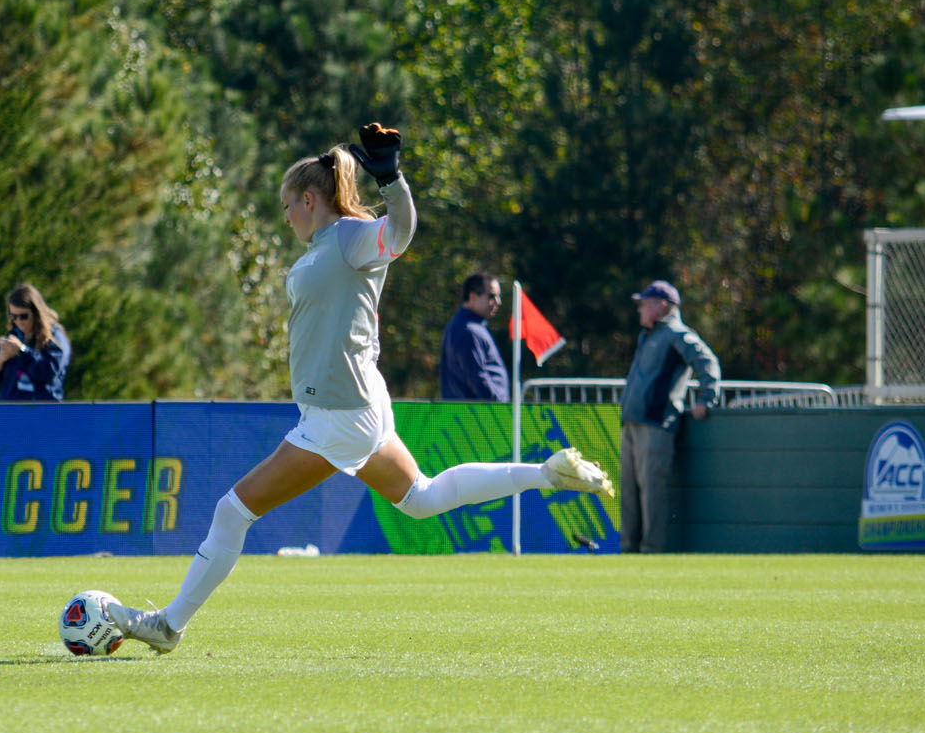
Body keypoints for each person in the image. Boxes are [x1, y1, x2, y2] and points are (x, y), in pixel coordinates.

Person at [107, 124, 615, 654]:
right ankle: (546, 472)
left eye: (287, 206)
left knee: (232, 511)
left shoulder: (351, 237)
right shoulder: (334, 242)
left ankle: (169, 626)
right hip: (353, 407)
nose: (285, 218)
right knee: (422, 497)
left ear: (308, 199)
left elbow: (400, 232)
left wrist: (393, 180)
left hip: (340, 415)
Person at [619, 279, 721, 553]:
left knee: (652, 492)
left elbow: (708, 362)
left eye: (644, 303)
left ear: (661, 305)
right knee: (628, 493)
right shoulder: (648, 335)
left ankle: (651, 550)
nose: (639, 309)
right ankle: (627, 550)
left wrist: (706, 399)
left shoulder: (677, 333)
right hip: (632, 423)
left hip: (656, 424)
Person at [0, 283, 71, 401]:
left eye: (23, 316)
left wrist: (22, 350)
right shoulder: (14, 336)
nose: (18, 321)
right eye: (13, 316)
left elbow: (49, 372)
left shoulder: (54, 337)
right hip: (11, 413)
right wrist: (0, 359)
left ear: (36, 313)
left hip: (42, 413)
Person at [440, 271, 510, 401]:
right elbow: (477, 377)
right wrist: (497, 404)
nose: (498, 302)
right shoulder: (468, 330)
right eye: (492, 296)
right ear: (473, 297)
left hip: (473, 414)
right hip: (475, 416)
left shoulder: (471, 326)